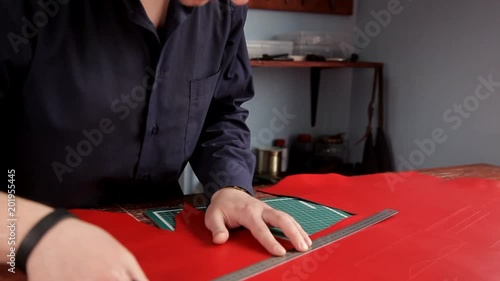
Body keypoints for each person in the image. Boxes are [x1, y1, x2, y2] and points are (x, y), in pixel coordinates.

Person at [0, 0, 312, 280]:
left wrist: (230, 186)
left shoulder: (224, 7)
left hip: (165, 238)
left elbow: (222, 109)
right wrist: (34, 232)